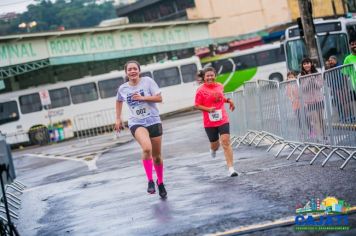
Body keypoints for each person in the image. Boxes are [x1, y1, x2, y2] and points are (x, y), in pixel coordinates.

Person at [115, 60, 167, 198]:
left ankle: (160, 182)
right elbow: (119, 100)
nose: (132, 71)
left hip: (153, 120)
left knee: (157, 157)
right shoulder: (123, 88)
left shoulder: (148, 81)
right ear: (126, 72)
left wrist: (142, 98)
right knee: (146, 148)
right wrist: (118, 118)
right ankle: (150, 180)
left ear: (139, 70)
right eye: (129, 69)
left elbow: (159, 98)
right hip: (136, 122)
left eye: (134, 69)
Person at [194, 67, 238, 177]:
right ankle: (212, 149)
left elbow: (220, 97)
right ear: (204, 78)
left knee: (226, 142)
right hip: (209, 122)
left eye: (211, 75)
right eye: (207, 76)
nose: (210, 77)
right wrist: (208, 109)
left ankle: (231, 168)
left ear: (215, 76)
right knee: (215, 145)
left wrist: (228, 100)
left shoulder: (219, 86)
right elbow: (196, 105)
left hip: (222, 119)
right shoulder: (200, 90)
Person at [299, 57, 325, 141]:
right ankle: (319, 138)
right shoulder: (301, 76)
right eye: (305, 63)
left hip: (319, 99)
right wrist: (308, 80)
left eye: (308, 63)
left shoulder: (316, 73)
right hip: (309, 102)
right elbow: (303, 88)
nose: (307, 65)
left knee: (321, 119)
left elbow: (320, 85)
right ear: (302, 65)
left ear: (311, 64)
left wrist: (314, 79)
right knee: (315, 120)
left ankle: (324, 136)